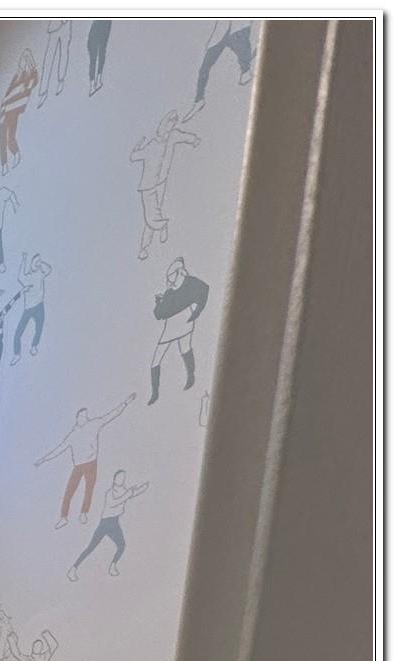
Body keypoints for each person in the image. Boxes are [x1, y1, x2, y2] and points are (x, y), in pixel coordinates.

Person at [36, 398, 136, 527]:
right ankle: (64, 517)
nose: (84, 418)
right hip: (78, 466)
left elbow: (111, 415)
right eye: (81, 416)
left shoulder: (93, 425)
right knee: (69, 491)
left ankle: (84, 512)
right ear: (77, 418)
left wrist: (125, 403)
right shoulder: (73, 435)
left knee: (89, 489)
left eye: (85, 416)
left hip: (91, 463)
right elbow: (59, 449)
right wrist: (43, 459)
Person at [131, 112, 200, 260]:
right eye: (169, 123)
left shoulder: (172, 137)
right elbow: (134, 156)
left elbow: (183, 136)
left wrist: (194, 139)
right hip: (147, 186)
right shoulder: (153, 144)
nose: (170, 127)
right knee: (150, 216)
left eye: (173, 124)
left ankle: (145, 247)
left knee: (154, 214)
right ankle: (162, 226)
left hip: (160, 183)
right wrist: (138, 146)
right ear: (163, 125)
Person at [149, 257, 210, 403]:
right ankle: (156, 392)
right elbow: (159, 314)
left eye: (172, 277)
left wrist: (196, 311)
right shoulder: (171, 291)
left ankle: (189, 377)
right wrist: (160, 302)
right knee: (174, 352)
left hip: (183, 323)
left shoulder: (189, 284)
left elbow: (204, 291)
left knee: (179, 351)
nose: (170, 282)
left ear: (180, 273)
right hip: (177, 324)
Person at [69, 473, 148, 579]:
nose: (121, 479)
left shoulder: (124, 492)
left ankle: (113, 566)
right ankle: (73, 569)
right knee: (91, 547)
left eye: (123, 478)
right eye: (119, 477)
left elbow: (133, 493)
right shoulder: (110, 493)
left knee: (121, 545)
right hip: (105, 523)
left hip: (115, 523)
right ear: (114, 479)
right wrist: (129, 493)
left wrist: (144, 487)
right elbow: (115, 502)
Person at [191, 20, 255, 115]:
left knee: (240, 42)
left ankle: (246, 70)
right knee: (205, 66)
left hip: (237, 27)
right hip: (221, 32)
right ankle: (199, 99)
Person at [0, 48, 39, 169]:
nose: (22, 63)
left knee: (10, 137)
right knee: (2, 138)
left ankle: (15, 154)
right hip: (5, 110)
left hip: (13, 111)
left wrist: (32, 70)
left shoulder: (30, 77)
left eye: (25, 59)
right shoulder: (17, 76)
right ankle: (4, 164)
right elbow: (8, 93)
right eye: (22, 60)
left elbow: (33, 82)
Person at [12, 252, 51, 357]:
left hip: (39, 305)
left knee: (39, 327)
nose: (37, 264)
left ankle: (34, 345)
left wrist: (41, 262)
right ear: (31, 264)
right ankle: (17, 354)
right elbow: (20, 276)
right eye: (35, 261)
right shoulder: (27, 277)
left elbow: (48, 269)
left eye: (38, 261)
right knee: (18, 332)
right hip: (29, 308)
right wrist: (24, 260)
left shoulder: (40, 273)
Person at [86, 19, 113, 94]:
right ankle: (95, 80)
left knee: (99, 50)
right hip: (101, 23)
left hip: (103, 23)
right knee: (97, 50)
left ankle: (96, 80)